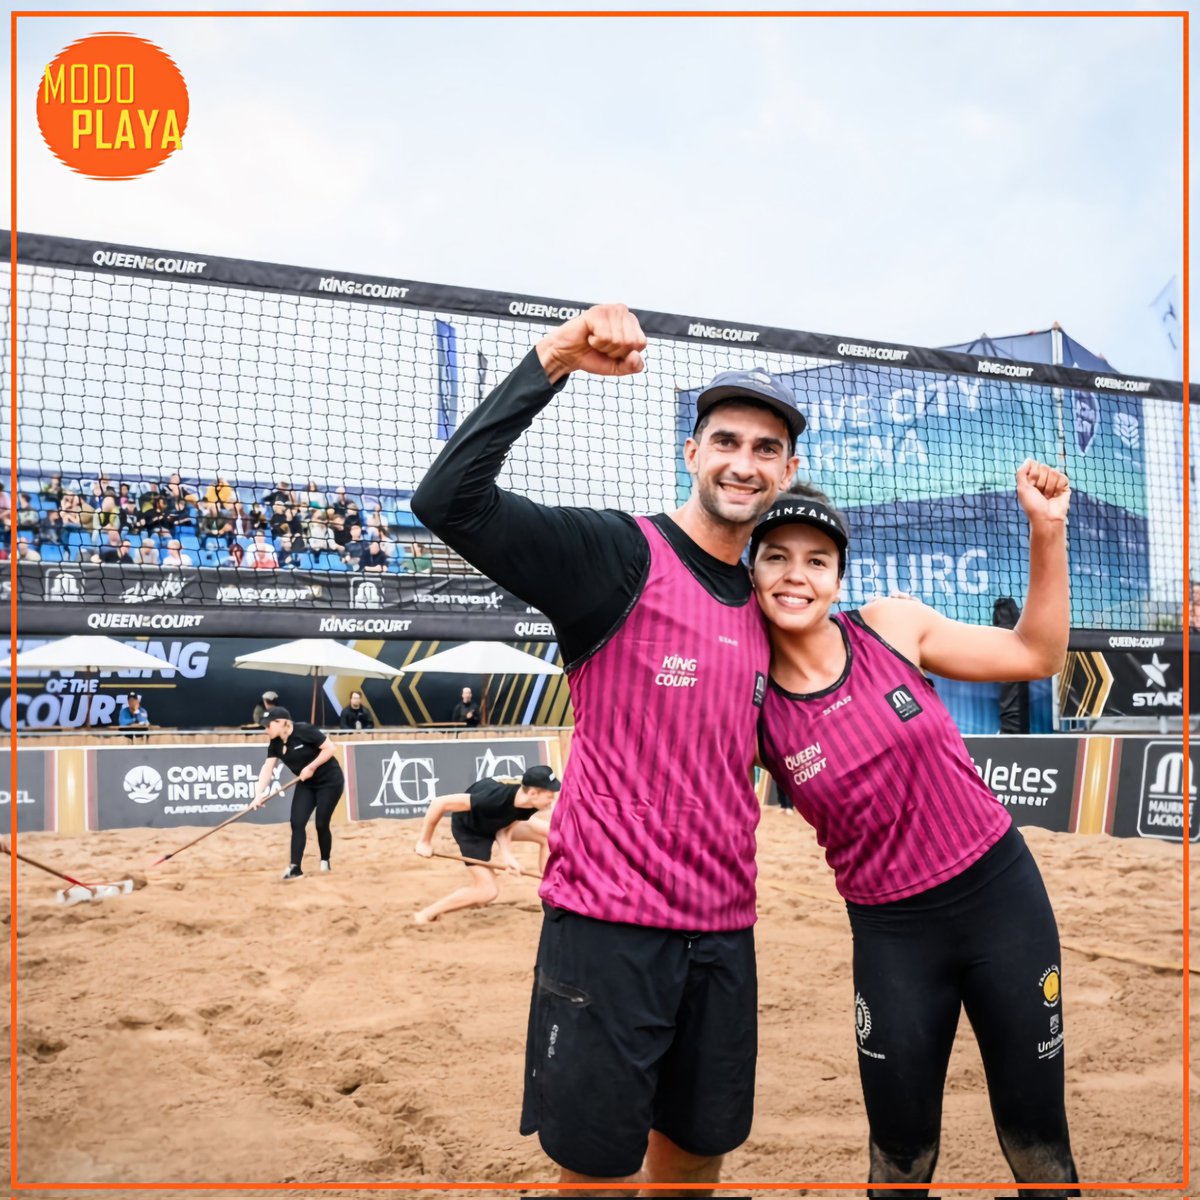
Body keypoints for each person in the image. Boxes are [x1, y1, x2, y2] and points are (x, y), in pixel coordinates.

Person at [411, 303, 802, 1190]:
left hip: (724, 931)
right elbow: (447, 501)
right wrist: (554, 356)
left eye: (766, 448)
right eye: (726, 441)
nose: (744, 462)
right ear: (691, 452)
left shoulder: (768, 605)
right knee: (596, 1172)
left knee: (697, 1157)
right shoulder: (617, 555)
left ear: (787, 471)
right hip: (607, 930)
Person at [750, 464, 1077, 1195]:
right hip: (892, 934)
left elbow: (1036, 654)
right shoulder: (752, 700)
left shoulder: (890, 628)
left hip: (1001, 900)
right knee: (899, 1158)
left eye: (817, 560)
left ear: (838, 579)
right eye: (776, 557)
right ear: (752, 571)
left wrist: (1045, 530)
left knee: (1037, 1144)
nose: (796, 575)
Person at [412, 764, 560, 925]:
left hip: (494, 823)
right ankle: (426, 914)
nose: (552, 800)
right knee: (487, 891)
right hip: (471, 830)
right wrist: (424, 842)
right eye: (549, 795)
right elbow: (439, 803)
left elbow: (506, 826)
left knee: (551, 834)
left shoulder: (529, 802)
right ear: (532, 793)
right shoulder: (493, 797)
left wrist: (507, 856)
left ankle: (552, 888)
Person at [250, 707, 345, 879]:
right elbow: (267, 768)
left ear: (281, 723)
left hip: (330, 782)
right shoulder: (276, 743)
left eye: (268, 726)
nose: (266, 730)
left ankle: (325, 860)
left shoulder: (304, 731)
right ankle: (295, 868)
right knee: (297, 822)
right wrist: (258, 794)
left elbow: (330, 748)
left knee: (321, 823)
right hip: (306, 784)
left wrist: (311, 767)